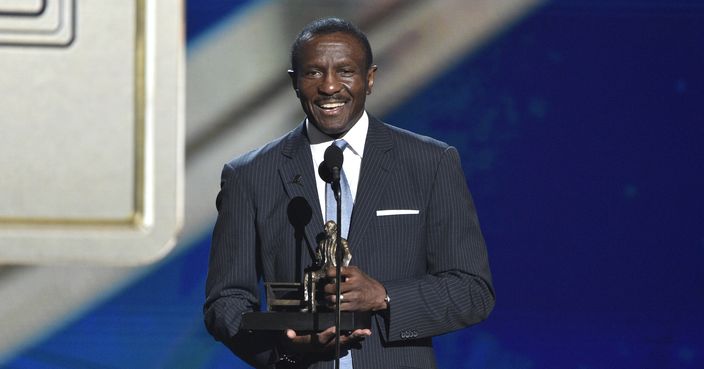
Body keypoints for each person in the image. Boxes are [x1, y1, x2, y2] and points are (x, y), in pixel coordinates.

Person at [204, 17, 495, 369]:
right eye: (313, 73)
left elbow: (472, 291)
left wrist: (383, 296)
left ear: (369, 78)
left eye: (345, 71)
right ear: (294, 82)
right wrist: (286, 349)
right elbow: (226, 302)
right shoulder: (249, 175)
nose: (329, 87)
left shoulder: (430, 163)